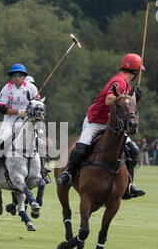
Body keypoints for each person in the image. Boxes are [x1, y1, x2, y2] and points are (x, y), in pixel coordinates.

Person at [56, 53, 145, 199]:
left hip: (112, 125)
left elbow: (125, 107)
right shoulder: (119, 81)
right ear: (135, 72)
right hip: (96, 121)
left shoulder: (127, 85)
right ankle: (68, 173)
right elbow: (109, 100)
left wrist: (134, 99)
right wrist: (125, 97)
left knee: (134, 150)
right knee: (82, 147)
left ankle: (129, 184)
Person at [0, 64, 39, 185]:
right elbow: (1, 108)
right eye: (14, 75)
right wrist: (19, 112)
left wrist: (34, 108)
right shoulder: (7, 89)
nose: (16, 77)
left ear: (23, 77)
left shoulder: (31, 88)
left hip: (26, 122)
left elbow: (37, 103)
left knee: (40, 142)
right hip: (9, 121)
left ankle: (42, 172)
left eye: (19, 75)